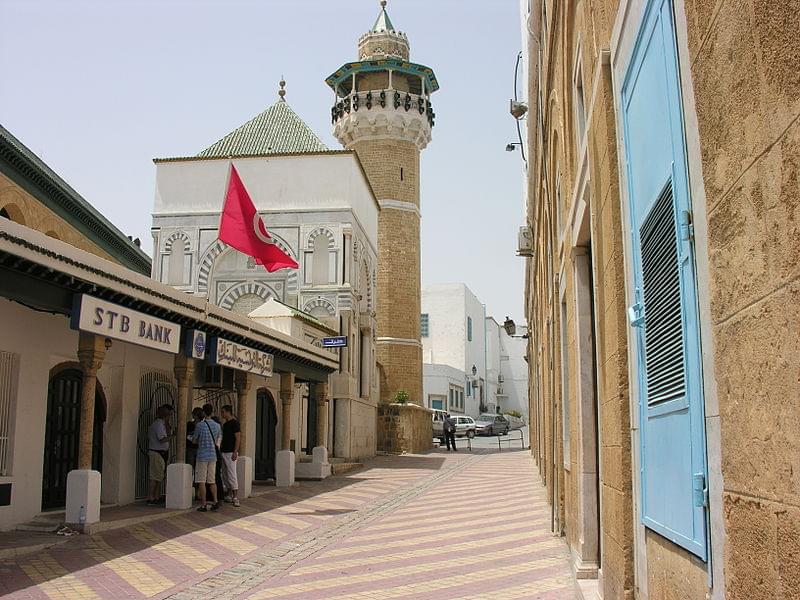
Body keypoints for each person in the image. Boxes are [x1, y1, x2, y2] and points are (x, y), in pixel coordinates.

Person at [192, 403, 222, 512]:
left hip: (202, 456)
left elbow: (195, 440)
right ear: (212, 412)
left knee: (201, 481)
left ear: (203, 413)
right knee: (212, 481)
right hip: (212, 456)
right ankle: (215, 501)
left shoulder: (200, 425)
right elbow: (218, 438)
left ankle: (204, 504)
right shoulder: (217, 426)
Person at [147, 404, 174, 505]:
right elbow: (162, 439)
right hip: (156, 452)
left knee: (159, 476)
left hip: (161, 452)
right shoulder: (158, 424)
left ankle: (156, 496)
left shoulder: (162, 424)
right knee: (155, 476)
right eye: (169, 415)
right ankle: (151, 497)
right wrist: (173, 436)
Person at [220, 404, 241, 507]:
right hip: (223, 451)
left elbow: (238, 438)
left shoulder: (235, 423)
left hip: (230, 452)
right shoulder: (225, 424)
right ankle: (228, 493)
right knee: (225, 474)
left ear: (228, 412)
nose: (222, 414)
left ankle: (235, 496)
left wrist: (235, 451)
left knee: (232, 473)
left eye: (223, 412)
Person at [187, 407, 204, 500]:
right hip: (190, 449)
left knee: (198, 472)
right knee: (190, 470)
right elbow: (187, 436)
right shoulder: (190, 424)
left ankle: (197, 493)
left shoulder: (202, 426)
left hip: (198, 449)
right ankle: (188, 491)